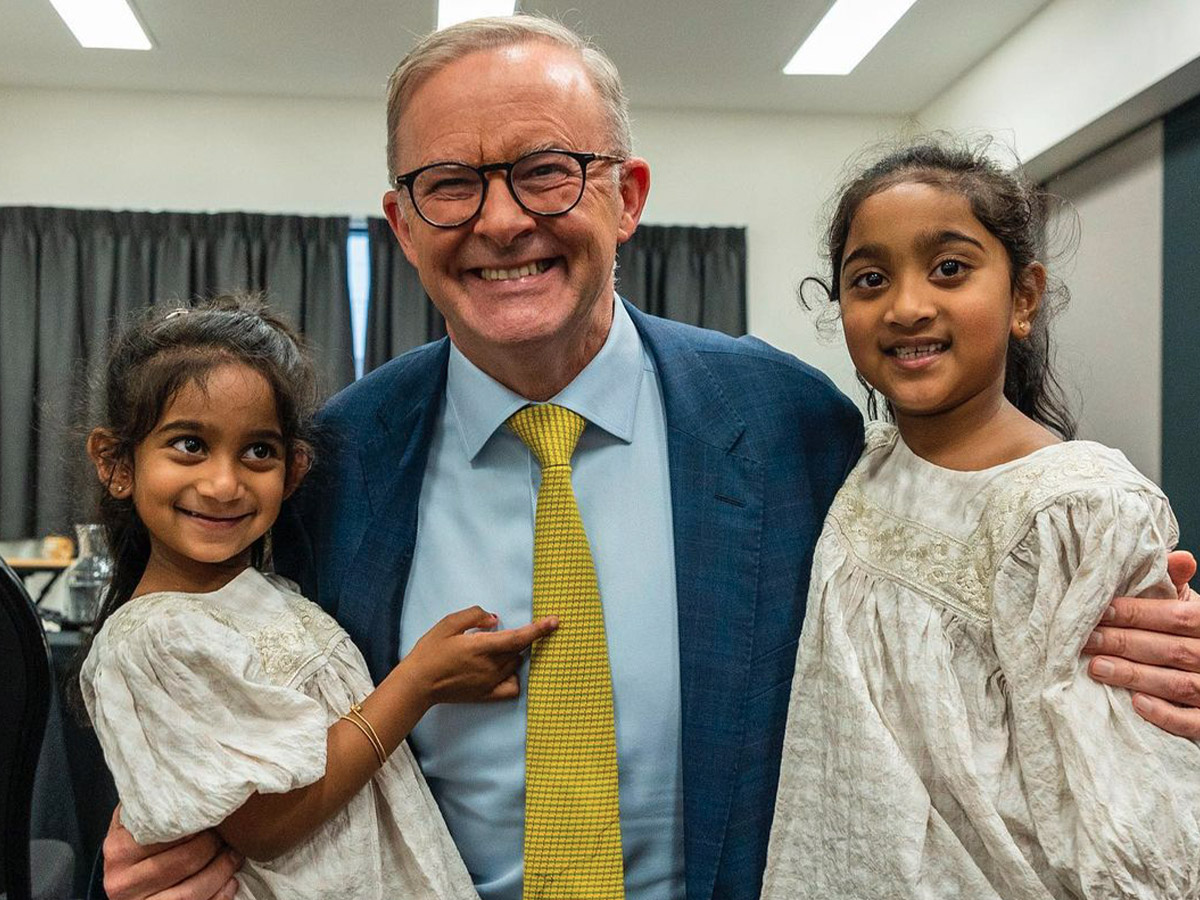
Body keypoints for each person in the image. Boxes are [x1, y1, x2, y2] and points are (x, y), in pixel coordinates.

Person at [97, 17, 1200, 900]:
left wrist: (1135, 641)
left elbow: (952, 599)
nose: (499, 221)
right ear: (400, 223)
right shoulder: (331, 466)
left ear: (626, 198)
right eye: (450, 184)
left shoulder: (790, 427)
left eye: (545, 170)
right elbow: (219, 683)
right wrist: (164, 847)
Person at [761, 141, 1200, 899]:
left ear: (1023, 297)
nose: (906, 306)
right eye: (870, 279)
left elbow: (1129, 809)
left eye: (950, 269)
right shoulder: (863, 469)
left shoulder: (1075, 507)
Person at [80, 295, 557, 899]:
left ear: (295, 470)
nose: (224, 483)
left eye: (258, 451)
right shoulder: (155, 639)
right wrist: (418, 686)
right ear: (116, 462)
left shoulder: (267, 593)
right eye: (190, 445)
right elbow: (267, 824)